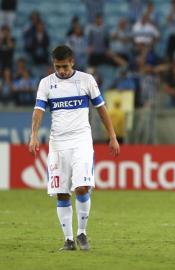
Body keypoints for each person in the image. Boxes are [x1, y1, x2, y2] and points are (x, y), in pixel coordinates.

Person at [28, 45, 120, 251]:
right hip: (58, 144)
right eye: (57, 67)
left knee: (82, 187)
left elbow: (102, 109)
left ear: (73, 63)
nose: (61, 71)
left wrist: (112, 136)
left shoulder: (86, 80)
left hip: (81, 141)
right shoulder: (46, 84)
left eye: (64, 66)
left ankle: (82, 233)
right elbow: (38, 111)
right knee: (61, 193)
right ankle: (68, 240)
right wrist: (33, 135)